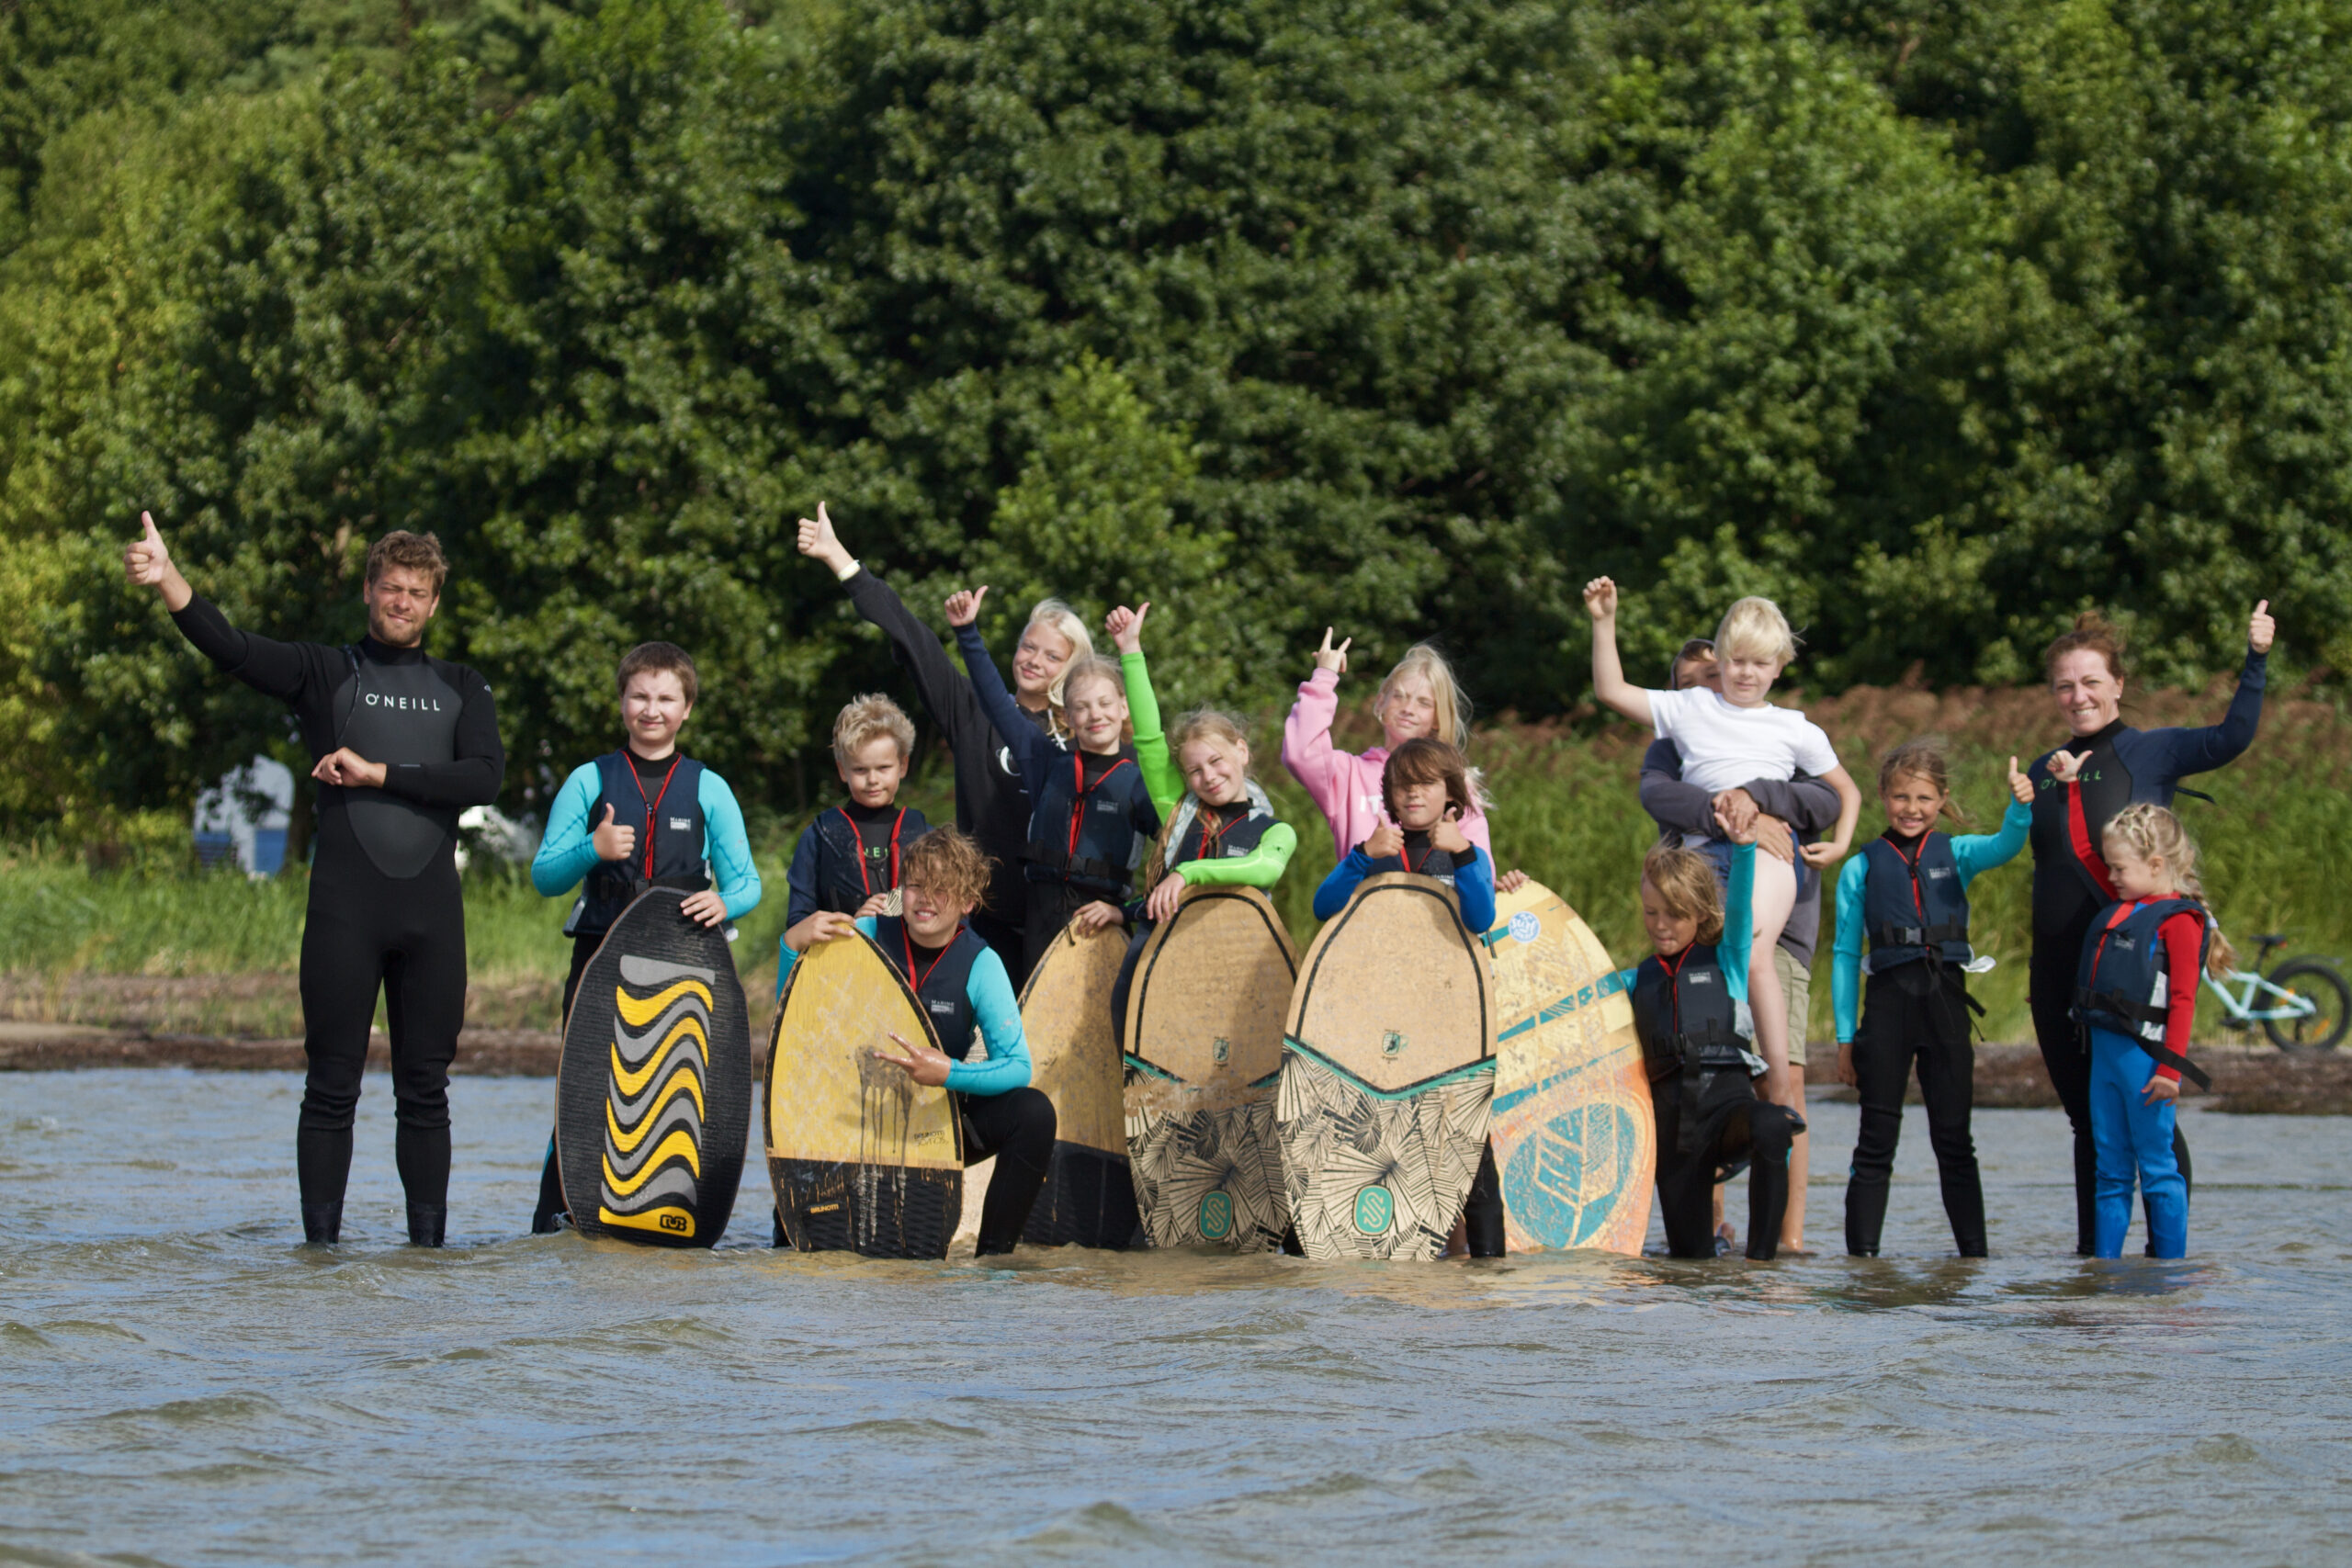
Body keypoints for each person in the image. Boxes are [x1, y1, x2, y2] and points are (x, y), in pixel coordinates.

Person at [123, 513, 504, 1247]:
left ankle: (429, 1258)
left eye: (416, 592)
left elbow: (485, 776)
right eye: (390, 588)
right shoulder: (325, 672)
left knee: (425, 1094)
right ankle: (317, 1259)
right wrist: (169, 580)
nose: (402, 602)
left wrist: (375, 771)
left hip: (433, 920)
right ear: (368, 591)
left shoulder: (463, 686)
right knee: (331, 1088)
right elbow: (231, 648)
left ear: (434, 603)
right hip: (345, 914)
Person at [1586, 580, 1860, 1209]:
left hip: (1767, 855)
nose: (1744, 674)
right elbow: (1610, 691)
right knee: (1689, 971)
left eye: (1759, 663)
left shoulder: (1794, 726)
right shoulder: (1690, 712)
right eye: (1735, 661)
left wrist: (1840, 841)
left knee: (1753, 952)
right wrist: (1605, 623)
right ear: (1721, 661)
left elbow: (1845, 790)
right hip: (1702, 855)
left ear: (1780, 666)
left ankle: (1774, 1085)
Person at [2024, 603, 2272, 1254]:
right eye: (2065, 685)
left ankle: (2169, 1268)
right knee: (2088, 1124)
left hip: (2131, 980)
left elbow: (2232, 737)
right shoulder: (2041, 769)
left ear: (2118, 685)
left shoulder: (2150, 751)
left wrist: (2257, 660)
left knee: (2152, 1124)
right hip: (2057, 975)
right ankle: (2094, 1270)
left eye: (2091, 682)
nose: (2078, 696)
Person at [797, 502, 1091, 982]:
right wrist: (842, 561)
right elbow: (916, 641)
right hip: (978, 923)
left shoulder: (1082, 737)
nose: (1034, 659)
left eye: (1052, 655)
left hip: (1058, 923)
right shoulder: (973, 712)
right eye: (1027, 646)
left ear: (1074, 666)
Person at [525, 642, 761, 1234]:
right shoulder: (588, 780)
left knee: (673, 1101)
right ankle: (556, 1219)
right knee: (584, 1096)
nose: (651, 710)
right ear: (621, 702)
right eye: (639, 696)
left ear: (686, 711)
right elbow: (545, 876)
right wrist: (593, 849)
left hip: (685, 966)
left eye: (665, 699)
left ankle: (662, 1219)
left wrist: (724, 900)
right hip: (600, 959)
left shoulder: (710, 788)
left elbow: (749, 883)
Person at [1639, 636, 1841, 1253]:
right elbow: (1658, 794)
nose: (1707, 690)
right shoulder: (1673, 745)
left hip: (1776, 933)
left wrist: (1765, 798)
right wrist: (1736, 810)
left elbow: (1825, 797)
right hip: (1701, 929)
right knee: (1700, 1075)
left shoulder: (1772, 732)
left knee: (1785, 1086)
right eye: (1692, 683)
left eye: (1713, 677)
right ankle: (1716, 1225)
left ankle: (1787, 1237)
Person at [782, 828, 1057, 1257]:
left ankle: (994, 1262)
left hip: (936, 1128)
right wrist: (790, 945)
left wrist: (949, 1074)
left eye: (942, 889)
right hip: (850, 1118)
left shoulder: (981, 963)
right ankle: (792, 1237)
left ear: (968, 902)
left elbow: (1018, 1066)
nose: (925, 898)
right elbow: (794, 1016)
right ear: (901, 891)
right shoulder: (867, 934)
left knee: (1034, 1112)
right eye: (915, 886)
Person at [1832, 739, 2032, 1258]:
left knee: (1954, 1141)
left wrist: (2020, 806)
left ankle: (1973, 1261)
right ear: (1882, 796)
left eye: (1923, 798)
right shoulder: (1862, 868)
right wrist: (1844, 1039)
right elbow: (1843, 957)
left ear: (1941, 799)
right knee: (1876, 1142)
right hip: (1886, 1011)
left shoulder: (1958, 854)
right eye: (1900, 797)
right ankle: (1863, 1266)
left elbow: (2006, 845)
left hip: (1945, 1006)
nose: (1911, 809)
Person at [1066, 604, 1297, 1044]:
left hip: (1231, 956)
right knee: (1132, 1036)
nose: (1208, 777)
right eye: (1194, 771)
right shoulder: (1177, 808)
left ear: (1242, 752)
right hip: (1160, 951)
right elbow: (1149, 737)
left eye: (1217, 761)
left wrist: (1187, 873)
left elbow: (1261, 871)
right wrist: (1131, 650)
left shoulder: (1275, 831)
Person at [1309, 736, 1503, 1254]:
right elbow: (1323, 907)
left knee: (1473, 1153)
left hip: (1450, 1026)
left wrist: (1460, 852)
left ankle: (1488, 1270)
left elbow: (1482, 916)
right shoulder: (1377, 854)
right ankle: (1376, 1256)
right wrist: (1360, 856)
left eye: (1425, 784)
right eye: (1402, 785)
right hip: (1383, 1027)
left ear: (1450, 794)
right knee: (1381, 1146)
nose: (1413, 794)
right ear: (1389, 797)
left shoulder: (1469, 853)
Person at [950, 586, 1162, 978]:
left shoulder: (1141, 776)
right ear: (1068, 715)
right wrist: (967, 633)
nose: (1094, 715)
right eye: (1081, 706)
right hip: (1041, 920)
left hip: (1102, 921)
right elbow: (996, 700)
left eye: (1103, 704)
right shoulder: (1045, 759)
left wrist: (1126, 911)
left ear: (1123, 707)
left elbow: (1177, 858)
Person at [2058, 796, 2230, 1259]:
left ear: (2155, 865)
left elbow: (2184, 1001)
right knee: (2110, 1172)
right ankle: (2104, 1275)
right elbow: (2080, 849)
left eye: (2119, 869)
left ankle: (2170, 1275)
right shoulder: (2124, 901)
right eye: (2110, 869)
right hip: (2106, 1061)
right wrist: (2074, 788)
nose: (2111, 877)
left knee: (2158, 1170)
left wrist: (2170, 1072)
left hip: (2147, 1065)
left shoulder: (2179, 920)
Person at [1633, 829, 1804, 1260]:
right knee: (1691, 1262)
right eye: (1651, 913)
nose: (1660, 925)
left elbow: (1741, 905)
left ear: (1700, 912)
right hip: (1676, 1136)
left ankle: (1760, 1264)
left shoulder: (1728, 957)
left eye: (1673, 914)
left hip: (1729, 1112)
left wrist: (1746, 846)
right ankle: (1719, 1239)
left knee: (1773, 1124)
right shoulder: (1635, 981)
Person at [777, 693, 931, 986]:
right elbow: (799, 922)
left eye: (883, 768)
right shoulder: (818, 836)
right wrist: (854, 922)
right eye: (860, 770)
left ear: (903, 765)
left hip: (914, 977)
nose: (872, 779)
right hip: (844, 979)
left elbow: (953, 915)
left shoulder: (926, 834)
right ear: (842, 770)